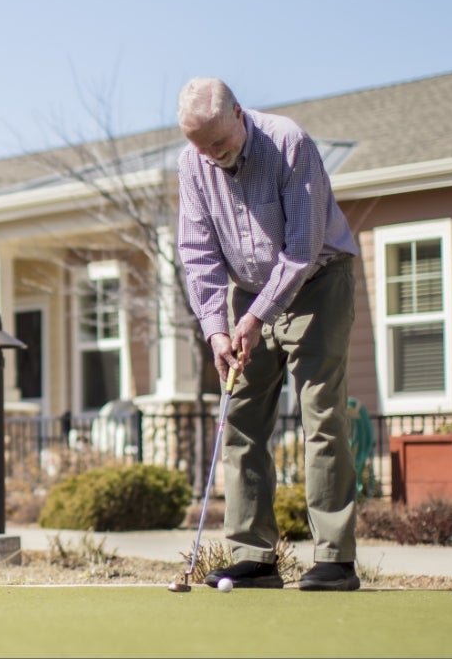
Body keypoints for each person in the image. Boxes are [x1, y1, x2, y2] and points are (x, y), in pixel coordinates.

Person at [174, 77, 363, 591]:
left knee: (320, 414)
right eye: (200, 146)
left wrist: (256, 318)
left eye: (218, 142)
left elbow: (301, 248)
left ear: (239, 112)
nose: (212, 155)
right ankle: (254, 557)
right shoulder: (194, 165)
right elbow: (198, 254)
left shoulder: (288, 143)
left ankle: (335, 559)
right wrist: (216, 330)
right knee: (240, 417)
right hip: (247, 294)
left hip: (319, 280)